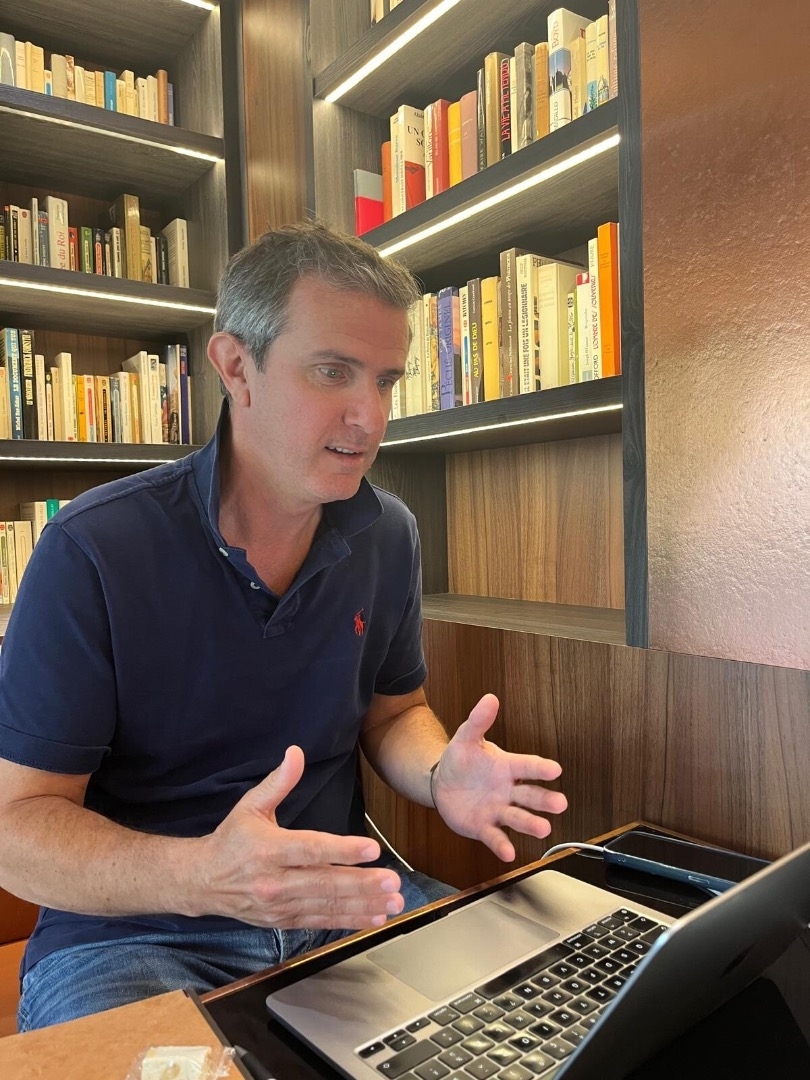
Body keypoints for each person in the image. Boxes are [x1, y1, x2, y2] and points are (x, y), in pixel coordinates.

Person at [0, 221, 568, 1031]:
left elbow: (394, 715)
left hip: (342, 906)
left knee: (546, 1023)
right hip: (133, 933)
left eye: (386, 380)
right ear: (236, 366)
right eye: (333, 372)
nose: (369, 416)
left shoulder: (388, 533)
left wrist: (442, 773)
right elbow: (17, 828)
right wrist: (207, 875)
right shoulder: (92, 548)